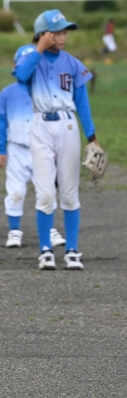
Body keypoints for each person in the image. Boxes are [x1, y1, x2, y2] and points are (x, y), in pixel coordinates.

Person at [13, 10, 98, 270]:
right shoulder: (30, 56)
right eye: (57, 32)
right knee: (46, 193)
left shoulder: (72, 63)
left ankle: (71, 250)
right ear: (43, 34)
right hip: (40, 126)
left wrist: (91, 136)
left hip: (67, 125)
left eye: (65, 32)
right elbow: (21, 76)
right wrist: (39, 48)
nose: (63, 37)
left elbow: (82, 103)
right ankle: (45, 250)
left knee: (70, 192)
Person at [1, 44, 65, 249]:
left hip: (43, 148)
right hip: (16, 149)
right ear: (16, 66)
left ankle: (50, 229)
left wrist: (57, 148)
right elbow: (1, 122)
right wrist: (1, 149)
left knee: (46, 190)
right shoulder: (7, 93)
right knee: (15, 190)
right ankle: (14, 230)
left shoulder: (47, 92)